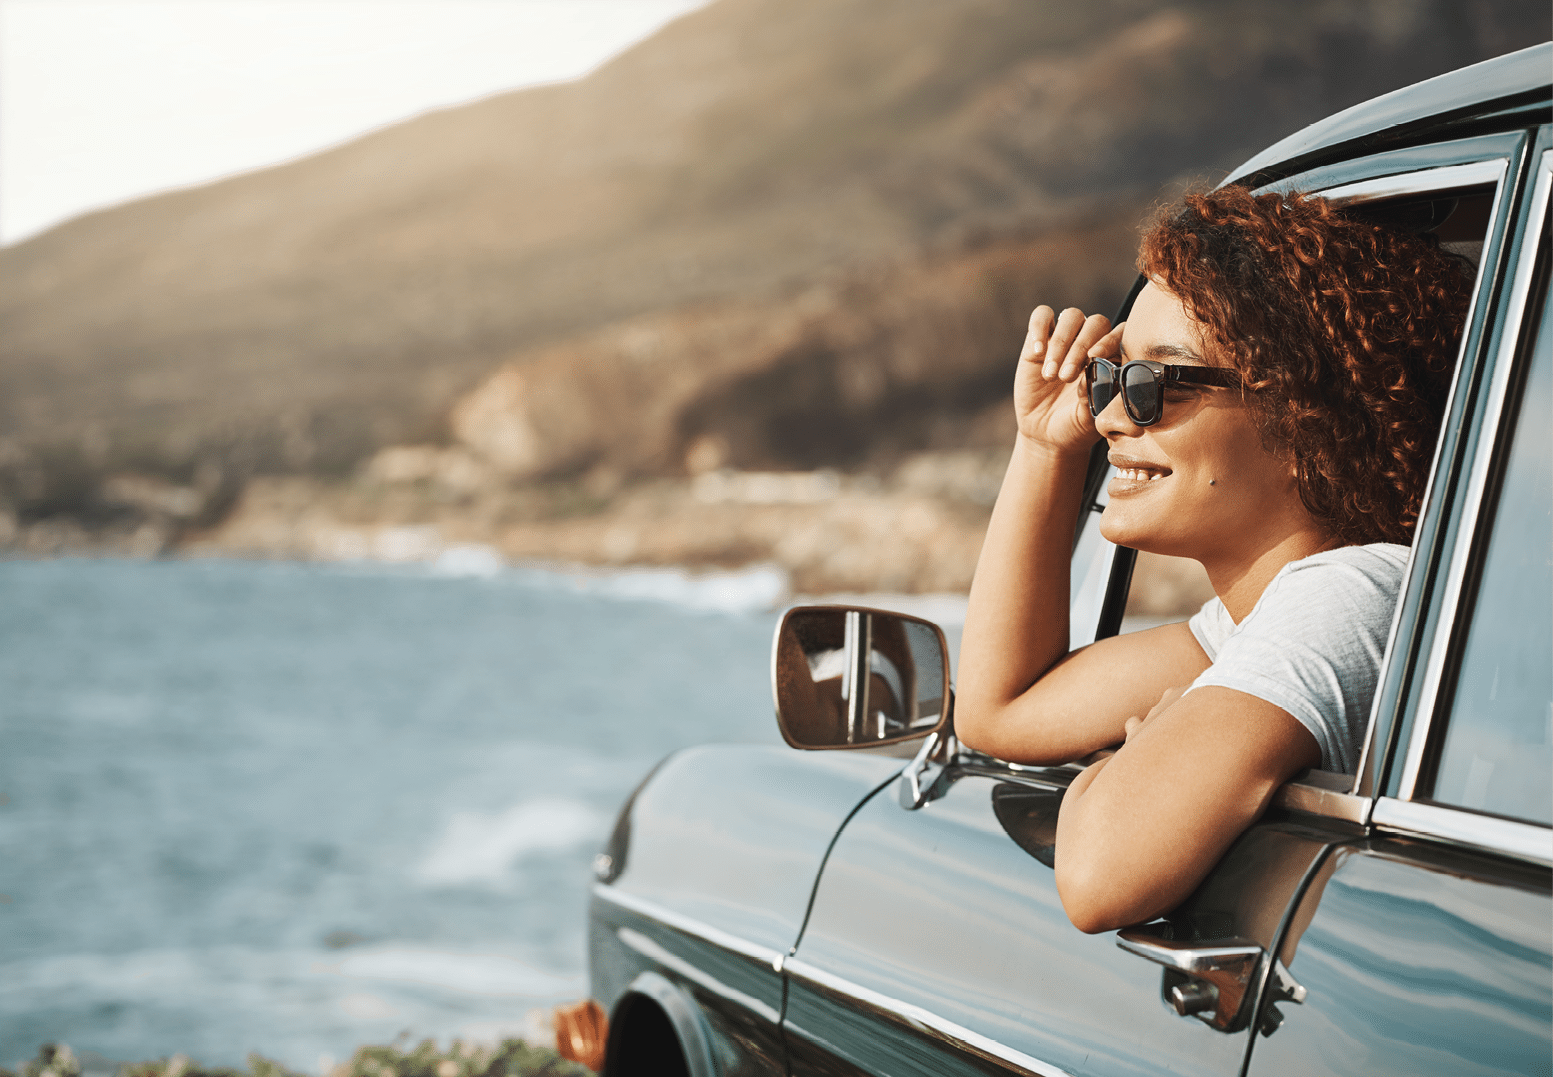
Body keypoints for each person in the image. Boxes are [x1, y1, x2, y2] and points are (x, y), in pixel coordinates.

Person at [953, 187, 1470, 933]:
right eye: (1110, 377)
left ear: (1305, 418)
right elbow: (1000, 710)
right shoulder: (1250, 624)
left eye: (1156, 383)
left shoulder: (1351, 596)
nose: (1106, 416)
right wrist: (1042, 445)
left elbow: (1097, 879)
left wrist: (1126, 764)